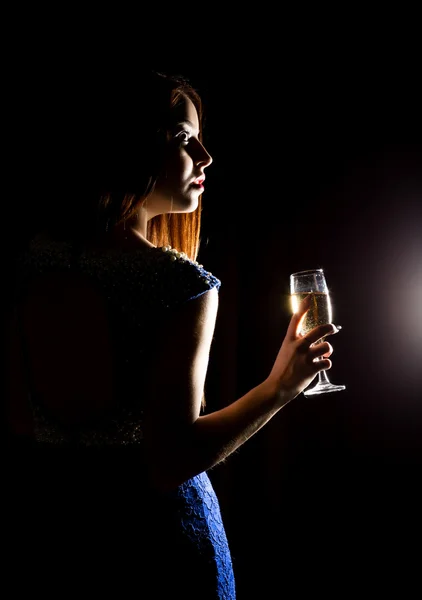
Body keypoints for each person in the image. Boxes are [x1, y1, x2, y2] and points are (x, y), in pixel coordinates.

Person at [5, 68, 340, 599]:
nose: (205, 157)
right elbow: (170, 460)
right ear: (127, 148)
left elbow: (20, 418)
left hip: (59, 541)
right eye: (184, 139)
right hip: (164, 551)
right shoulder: (179, 285)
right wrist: (279, 387)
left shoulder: (32, 261)